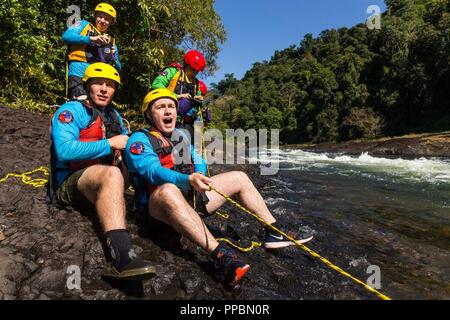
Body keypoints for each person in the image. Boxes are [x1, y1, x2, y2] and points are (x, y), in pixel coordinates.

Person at [124, 88, 313, 288]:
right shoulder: (138, 140)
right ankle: (222, 257)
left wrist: (200, 176)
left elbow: (199, 161)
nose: (168, 111)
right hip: (158, 211)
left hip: (191, 200)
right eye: (160, 107)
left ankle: (272, 231)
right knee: (168, 189)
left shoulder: (180, 136)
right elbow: (152, 171)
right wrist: (188, 180)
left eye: (171, 106)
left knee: (239, 177)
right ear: (148, 114)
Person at [48, 62, 155, 281]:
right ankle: (122, 259)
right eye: (98, 83)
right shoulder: (71, 111)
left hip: (101, 181)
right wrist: (110, 144)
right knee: (112, 173)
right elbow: (64, 150)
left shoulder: (114, 116)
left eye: (110, 85)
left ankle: (151, 209)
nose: (104, 89)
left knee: (134, 158)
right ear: (87, 86)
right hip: (70, 182)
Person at [63, 3, 122, 101]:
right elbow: (66, 36)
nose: (103, 21)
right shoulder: (81, 24)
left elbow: (118, 68)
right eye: (100, 17)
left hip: (97, 79)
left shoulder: (111, 42)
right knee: (80, 99)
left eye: (107, 19)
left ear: (111, 22)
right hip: (78, 71)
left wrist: (114, 57)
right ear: (95, 16)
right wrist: (91, 39)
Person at [151, 50, 206, 143]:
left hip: (186, 122)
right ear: (187, 64)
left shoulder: (196, 83)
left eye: (197, 71)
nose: (195, 72)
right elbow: (156, 85)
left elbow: (199, 96)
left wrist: (199, 98)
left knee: (187, 149)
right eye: (193, 69)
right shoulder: (173, 71)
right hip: (168, 116)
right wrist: (176, 96)